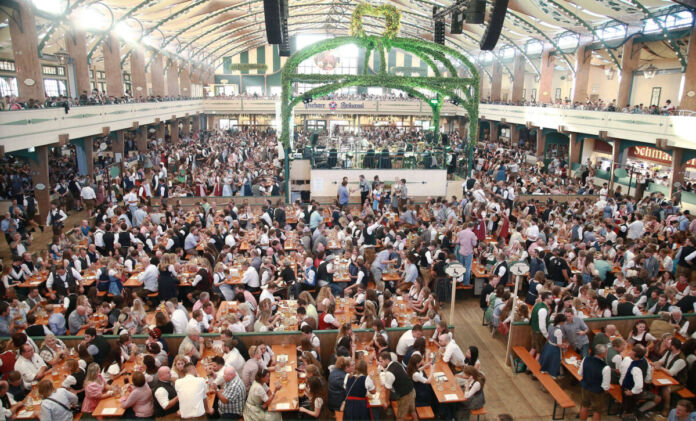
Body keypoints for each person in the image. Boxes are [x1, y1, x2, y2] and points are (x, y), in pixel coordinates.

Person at [379, 351, 417, 421]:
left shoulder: (389, 373)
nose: (380, 363)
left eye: (381, 361)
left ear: (387, 360)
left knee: (400, 417)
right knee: (412, 411)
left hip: (405, 396)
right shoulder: (396, 363)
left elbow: (387, 390)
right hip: (412, 390)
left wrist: (386, 401)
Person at [578, 344, 611, 421]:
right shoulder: (606, 367)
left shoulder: (586, 359)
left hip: (585, 387)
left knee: (584, 406)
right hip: (597, 391)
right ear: (602, 354)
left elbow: (580, 373)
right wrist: (607, 391)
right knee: (597, 411)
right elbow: (605, 386)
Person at [538, 314, 568, 379]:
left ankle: (545, 371)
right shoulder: (558, 331)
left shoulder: (550, 325)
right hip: (554, 349)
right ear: (561, 322)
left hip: (548, 345)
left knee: (547, 361)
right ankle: (553, 375)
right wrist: (565, 346)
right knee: (554, 363)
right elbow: (559, 344)